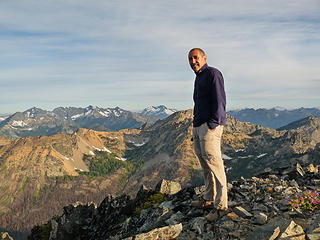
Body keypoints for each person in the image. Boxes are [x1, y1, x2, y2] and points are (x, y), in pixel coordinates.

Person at [188, 48, 228, 221]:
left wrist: (213, 125)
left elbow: (220, 100)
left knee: (214, 163)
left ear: (204, 58)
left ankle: (221, 206)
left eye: (196, 57)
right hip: (198, 126)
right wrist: (196, 127)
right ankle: (208, 198)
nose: (193, 61)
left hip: (209, 126)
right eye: (190, 59)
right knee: (205, 164)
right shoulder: (199, 77)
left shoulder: (213, 73)